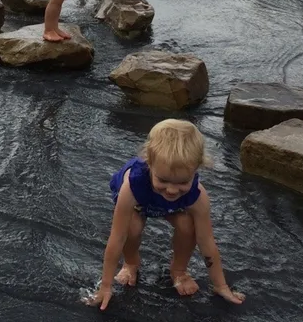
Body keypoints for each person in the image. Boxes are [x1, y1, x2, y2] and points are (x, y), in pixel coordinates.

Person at [88, 119, 245, 311]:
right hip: (142, 202)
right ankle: (131, 264)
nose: (171, 190)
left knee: (187, 226)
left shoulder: (198, 196)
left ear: (196, 170)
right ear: (149, 163)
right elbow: (117, 237)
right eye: (163, 179)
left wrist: (221, 286)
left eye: (182, 182)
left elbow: (207, 241)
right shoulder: (132, 187)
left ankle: (178, 270)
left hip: (171, 207)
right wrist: (105, 286)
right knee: (132, 227)